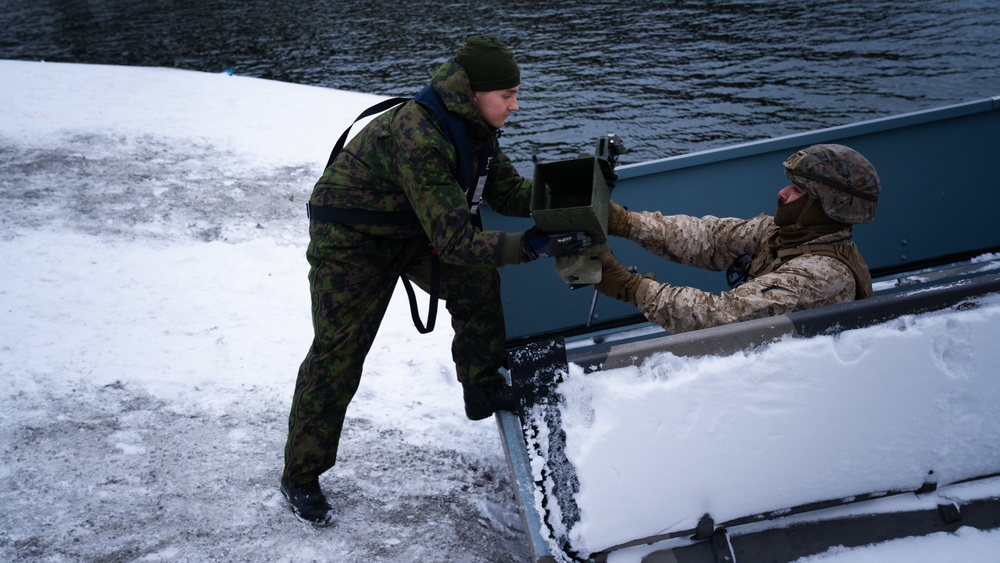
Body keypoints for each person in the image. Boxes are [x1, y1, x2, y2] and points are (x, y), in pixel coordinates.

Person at [280, 35, 590, 526]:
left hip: (409, 227)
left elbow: (507, 191)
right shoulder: (419, 137)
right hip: (351, 238)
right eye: (506, 95)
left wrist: (575, 190)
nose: (516, 104)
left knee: (476, 286)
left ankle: (480, 387)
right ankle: (300, 475)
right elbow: (456, 242)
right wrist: (529, 246)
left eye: (516, 92)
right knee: (338, 355)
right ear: (474, 93)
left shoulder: (474, 126)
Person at [595, 143, 881, 335]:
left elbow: (722, 318)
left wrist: (632, 289)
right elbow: (711, 239)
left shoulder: (820, 276)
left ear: (826, 205)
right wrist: (625, 222)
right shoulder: (785, 234)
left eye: (797, 190)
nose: (782, 194)